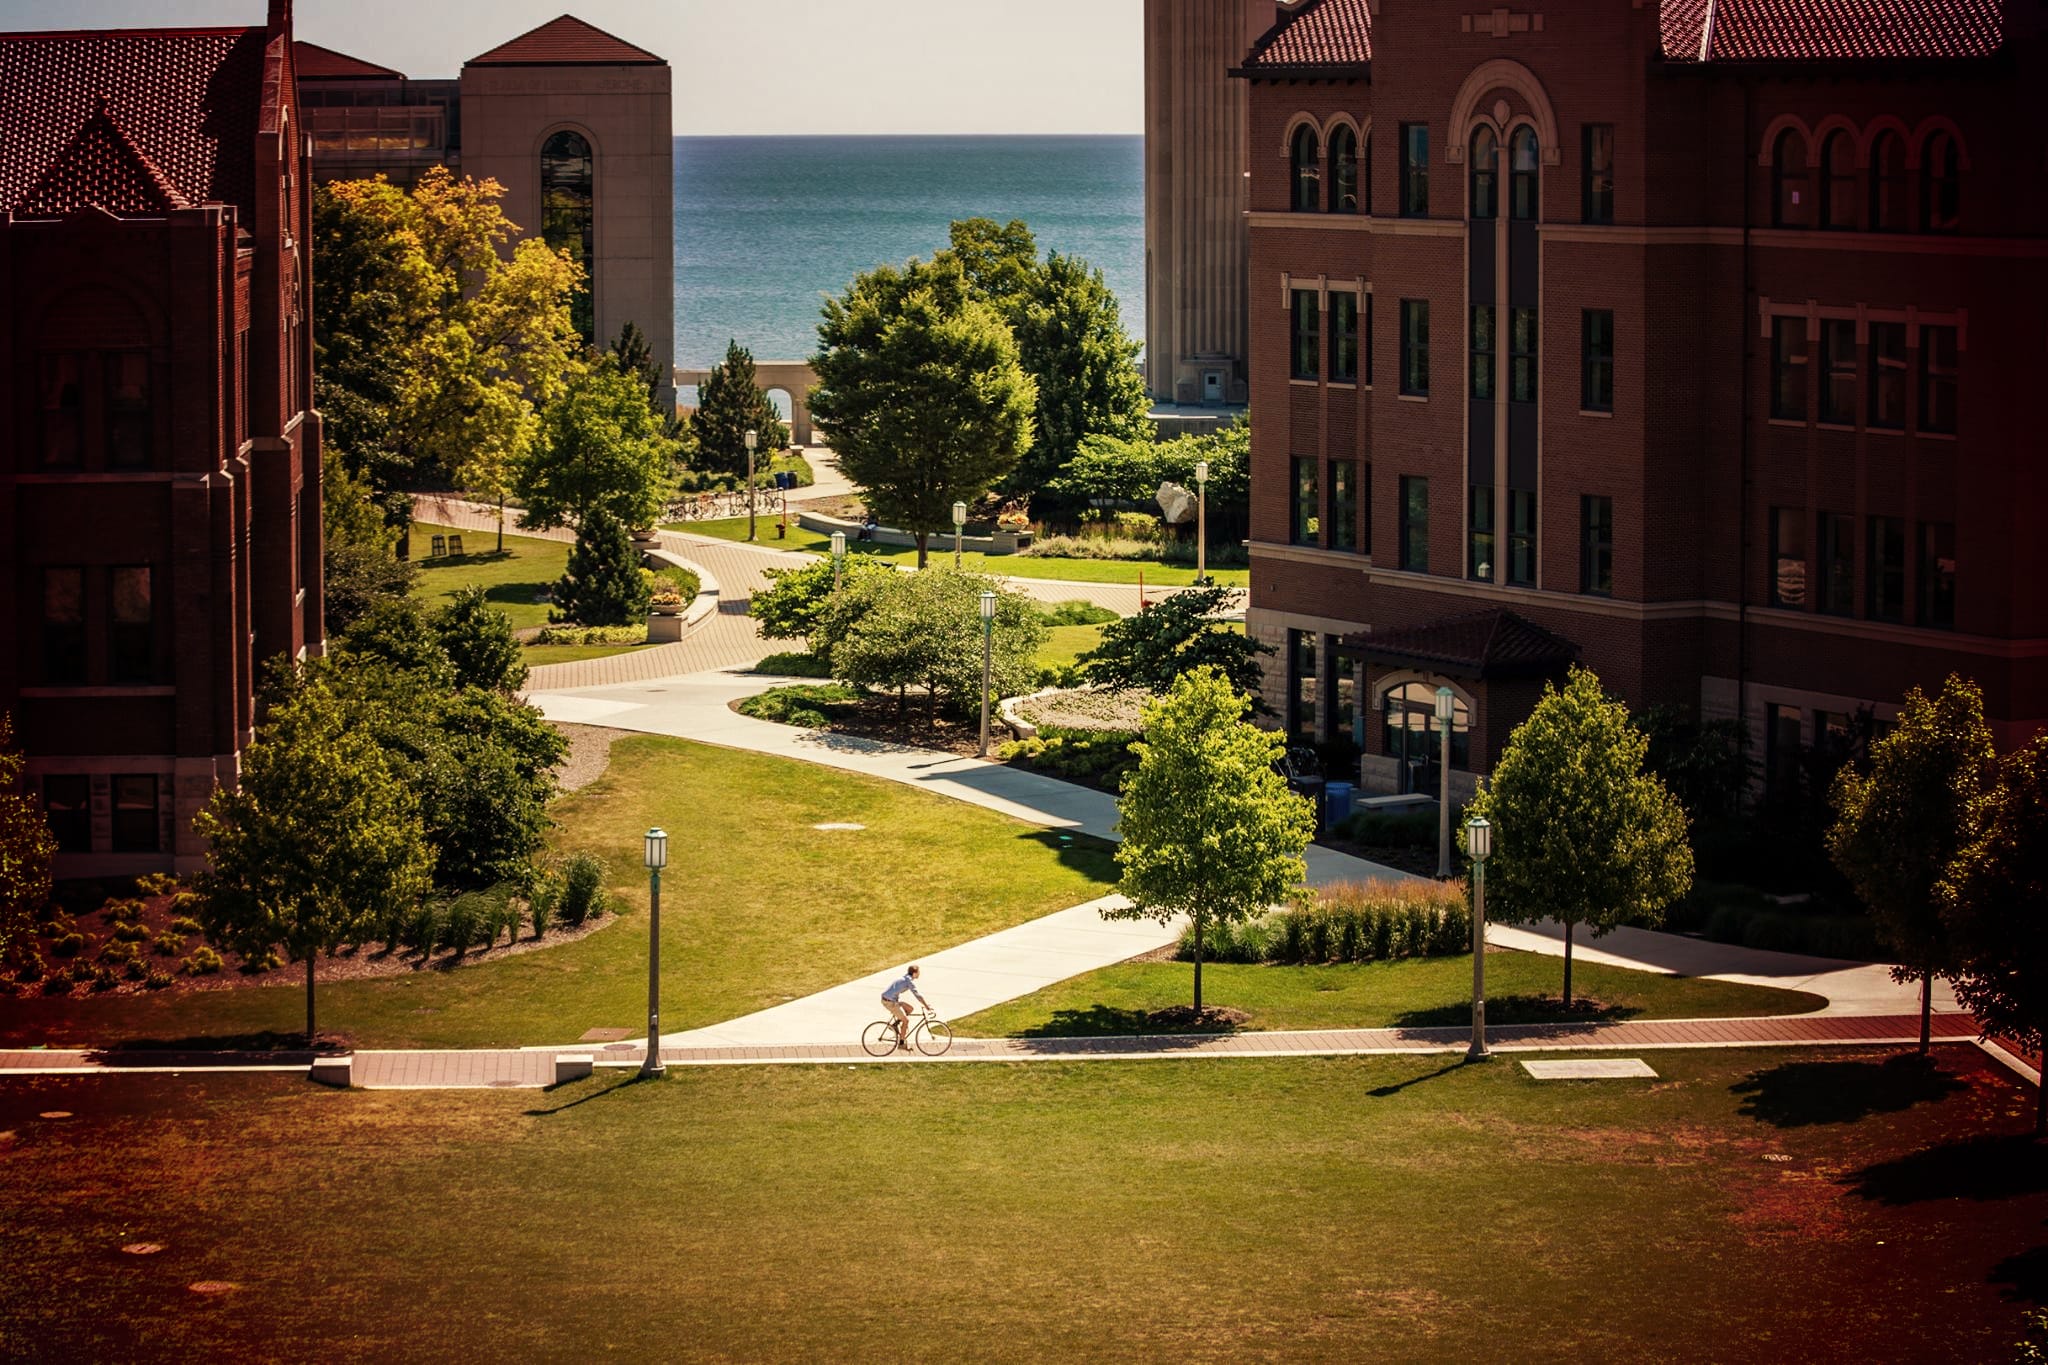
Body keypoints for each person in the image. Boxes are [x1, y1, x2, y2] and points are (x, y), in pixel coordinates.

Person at [880, 966, 929, 1050]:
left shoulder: (905, 978)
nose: (919, 973)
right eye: (918, 972)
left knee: (910, 1009)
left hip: (891, 1000)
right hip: (889, 1002)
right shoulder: (908, 981)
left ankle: (895, 1025)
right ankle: (901, 1044)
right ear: (914, 973)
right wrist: (926, 1006)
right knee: (906, 1021)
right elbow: (917, 995)